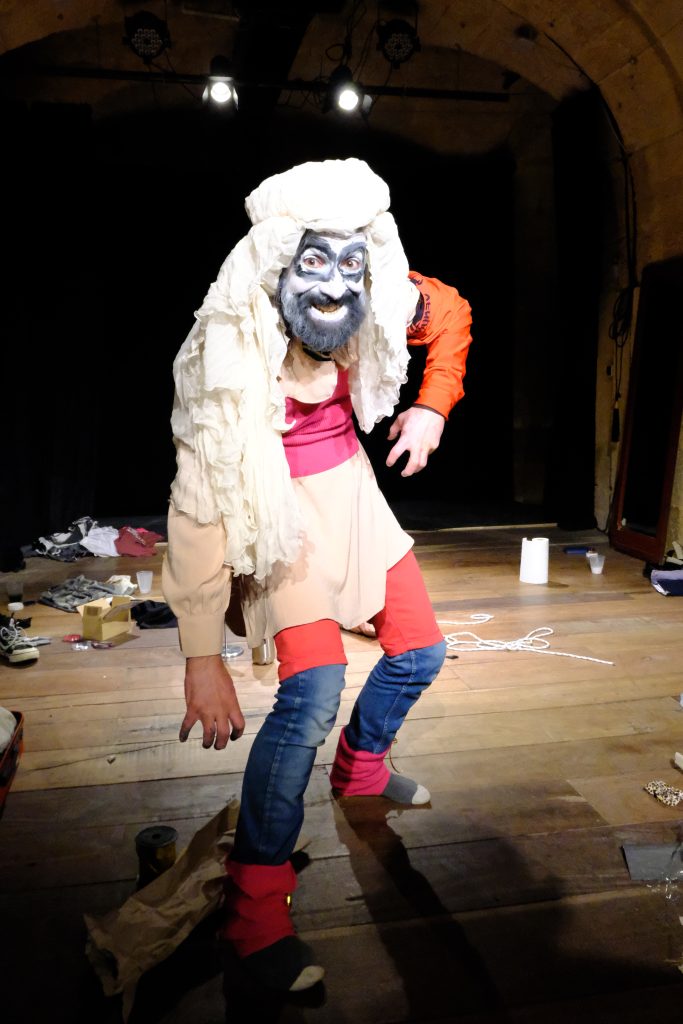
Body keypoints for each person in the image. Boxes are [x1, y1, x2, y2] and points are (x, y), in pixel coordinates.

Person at [162, 158, 473, 993]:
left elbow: (449, 312)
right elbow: (198, 502)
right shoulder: (231, 340)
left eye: (350, 263)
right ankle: (253, 910)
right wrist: (201, 655)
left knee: (420, 652)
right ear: (278, 262)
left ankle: (360, 767)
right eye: (312, 262)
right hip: (274, 513)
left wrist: (432, 406)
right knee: (310, 696)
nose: (334, 285)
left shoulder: (376, 294)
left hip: (353, 494)